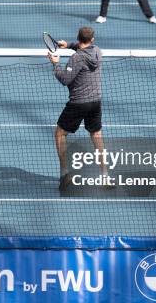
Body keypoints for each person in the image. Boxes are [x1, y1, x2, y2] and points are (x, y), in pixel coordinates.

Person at [48, 27, 108, 191]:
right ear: (92, 39)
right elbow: (83, 48)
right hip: (96, 102)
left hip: (79, 103)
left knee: (60, 133)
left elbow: (65, 80)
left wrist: (55, 65)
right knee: (96, 135)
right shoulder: (97, 51)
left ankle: (65, 174)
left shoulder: (76, 58)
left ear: (78, 37)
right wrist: (67, 45)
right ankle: (105, 176)